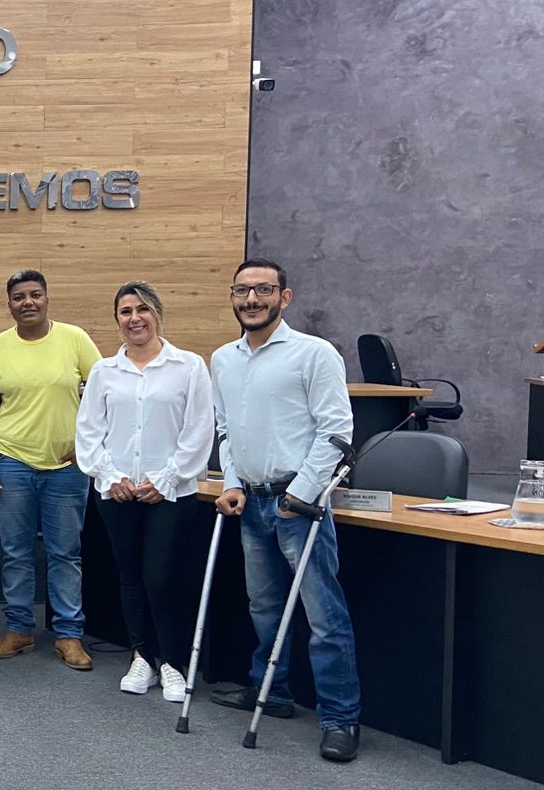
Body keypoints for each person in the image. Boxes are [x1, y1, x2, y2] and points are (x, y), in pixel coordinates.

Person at [208, 259, 361, 763]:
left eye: (263, 290)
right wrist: (230, 483)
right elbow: (226, 429)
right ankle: (271, 693)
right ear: (232, 296)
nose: (252, 299)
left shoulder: (313, 354)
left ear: (284, 297)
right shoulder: (224, 359)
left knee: (324, 616)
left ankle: (341, 718)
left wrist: (303, 492)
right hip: (250, 502)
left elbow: (336, 431)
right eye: (243, 290)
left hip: (300, 508)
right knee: (264, 607)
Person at [74, 281, 214, 702]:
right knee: (130, 577)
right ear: (116, 319)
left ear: (157, 313)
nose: (134, 318)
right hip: (117, 492)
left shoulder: (188, 367)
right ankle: (141, 656)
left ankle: (171, 661)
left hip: (170, 494)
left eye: (142, 309)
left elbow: (199, 430)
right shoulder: (104, 371)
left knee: (161, 577)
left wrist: (167, 478)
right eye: (125, 311)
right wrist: (109, 475)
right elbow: (88, 431)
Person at [0, 269, 102, 669]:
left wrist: (88, 450)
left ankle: (68, 634)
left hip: (66, 468)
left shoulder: (74, 339)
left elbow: (104, 393)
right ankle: (19, 629)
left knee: (65, 553)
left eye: (35, 295)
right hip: (11, 463)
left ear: (46, 298)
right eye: (19, 297)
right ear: (8, 304)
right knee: (15, 552)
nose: (27, 302)